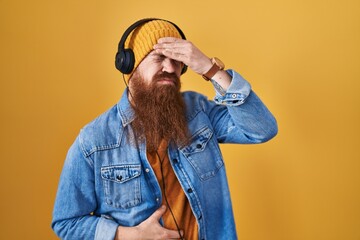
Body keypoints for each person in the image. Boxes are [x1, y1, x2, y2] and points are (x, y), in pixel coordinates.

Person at [51, 18, 278, 240]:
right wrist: (127, 235)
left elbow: (262, 129)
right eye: (159, 57)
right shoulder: (95, 139)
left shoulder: (199, 111)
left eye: (178, 60)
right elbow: (66, 222)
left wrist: (210, 69)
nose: (170, 68)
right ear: (129, 65)